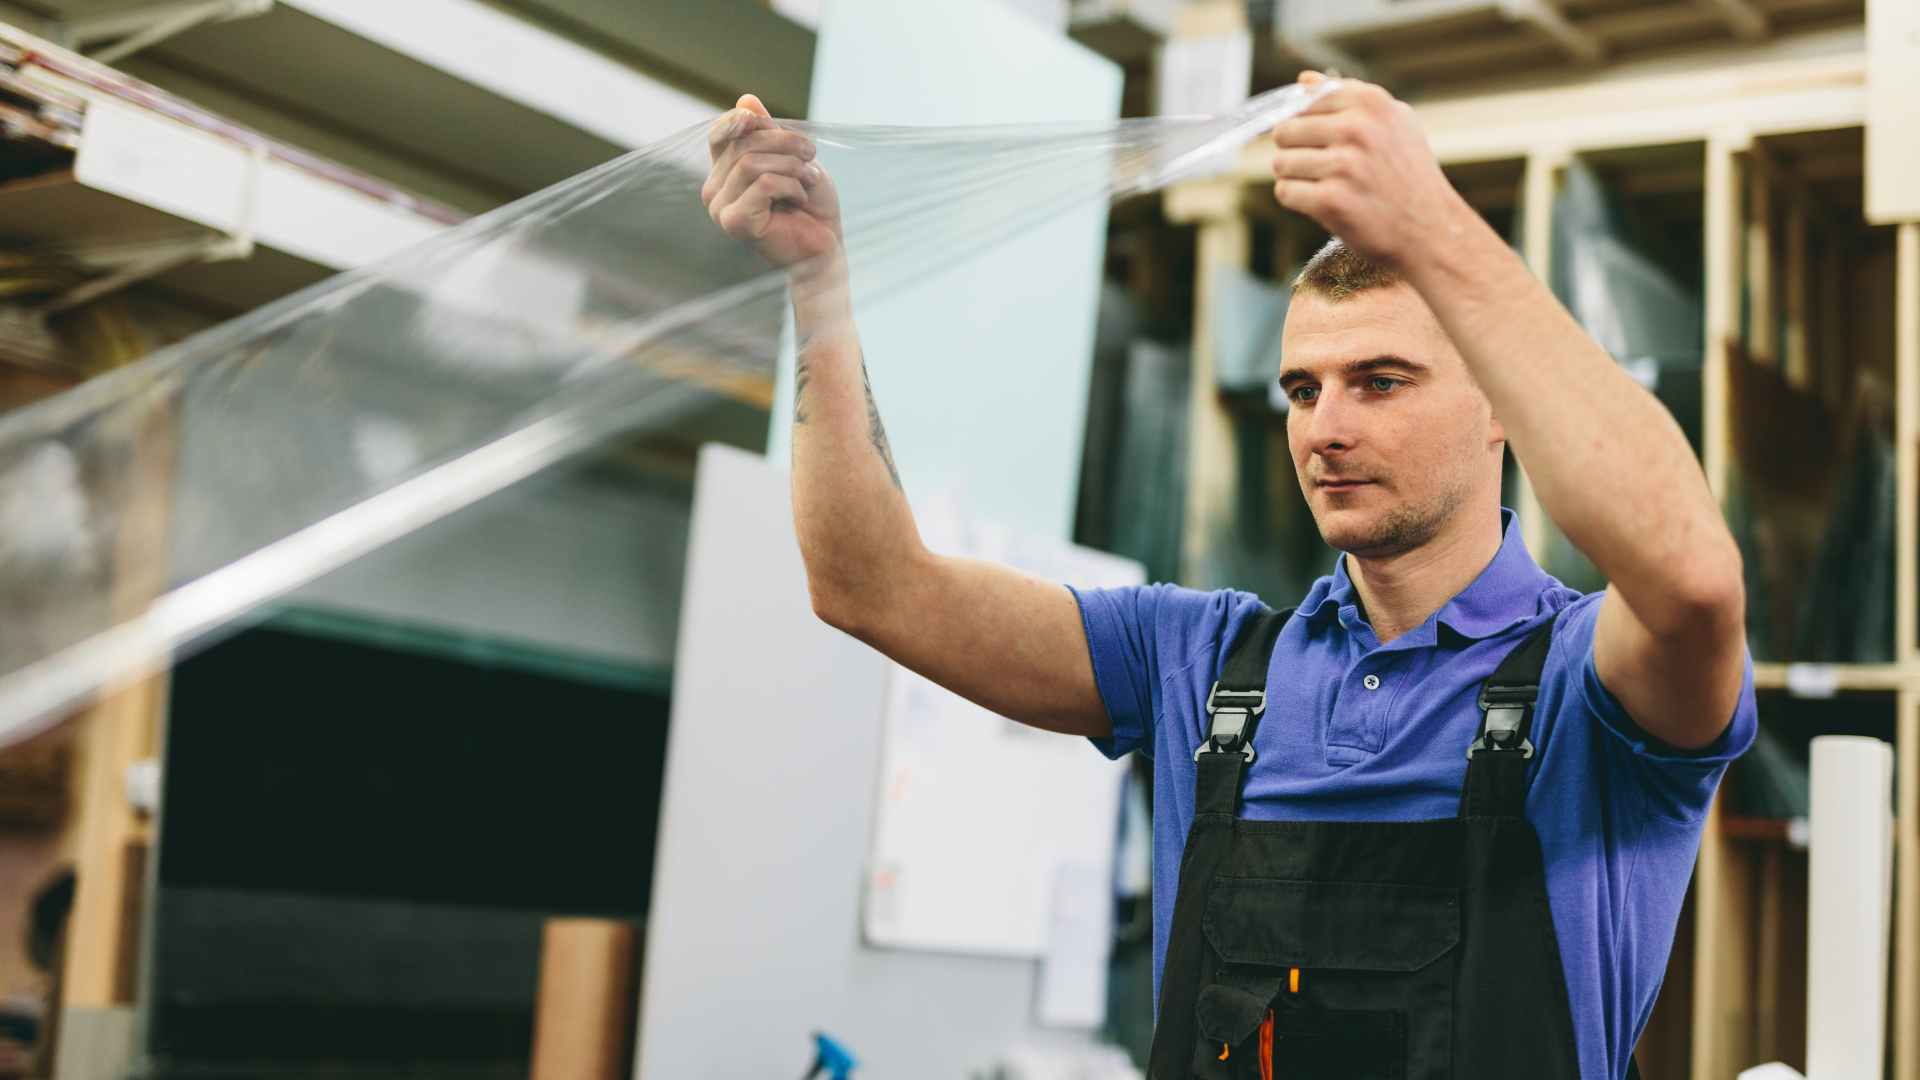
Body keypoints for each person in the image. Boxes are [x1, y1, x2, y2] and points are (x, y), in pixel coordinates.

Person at [703, 73, 1752, 1080]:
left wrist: (1433, 224)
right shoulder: (1200, 662)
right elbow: (869, 585)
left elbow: (1697, 580)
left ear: (1498, 410)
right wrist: (817, 282)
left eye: (1381, 382)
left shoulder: (1587, 685)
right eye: (1302, 389)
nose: (1326, 430)